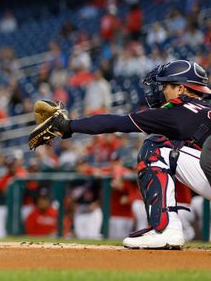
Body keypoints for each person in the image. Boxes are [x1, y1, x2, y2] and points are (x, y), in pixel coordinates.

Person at [34, 59, 211, 249]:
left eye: (166, 85)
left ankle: (166, 229)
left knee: (155, 148)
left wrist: (68, 125)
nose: (162, 91)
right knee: (174, 148)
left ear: (180, 89)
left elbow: (116, 122)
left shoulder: (177, 113)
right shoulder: (203, 109)